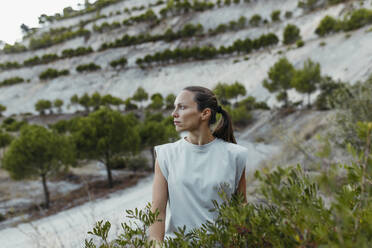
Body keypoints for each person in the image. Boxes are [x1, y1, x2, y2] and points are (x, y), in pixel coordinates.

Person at [148, 86, 248, 244]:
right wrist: (155, 245)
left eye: (182, 107)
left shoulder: (235, 155)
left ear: (205, 113)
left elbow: (241, 207)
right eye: (175, 107)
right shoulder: (166, 155)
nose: (174, 114)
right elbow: (158, 210)